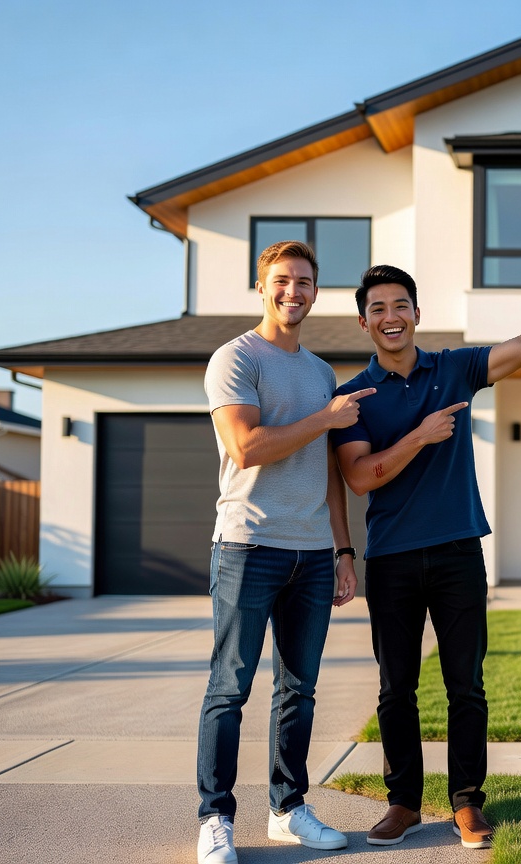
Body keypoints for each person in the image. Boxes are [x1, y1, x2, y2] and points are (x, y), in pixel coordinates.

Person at [331, 260, 521, 849]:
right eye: (378, 309)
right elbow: (360, 478)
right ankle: (403, 804)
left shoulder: (456, 368)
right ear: (364, 323)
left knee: (465, 685)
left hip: (458, 551)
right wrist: (419, 435)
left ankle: (468, 804)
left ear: (418, 314)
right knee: (397, 688)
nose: (390, 317)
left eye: (400, 306)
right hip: (391, 558)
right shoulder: (352, 397)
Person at [196, 240, 375, 864]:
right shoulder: (235, 358)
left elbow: (328, 470)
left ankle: (288, 810)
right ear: (261, 286)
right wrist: (325, 418)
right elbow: (245, 448)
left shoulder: (322, 373)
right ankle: (215, 819)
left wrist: (344, 549)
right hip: (248, 544)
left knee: (299, 690)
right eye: (281, 280)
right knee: (230, 687)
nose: (292, 291)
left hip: (310, 551)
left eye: (303, 281)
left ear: (316, 291)